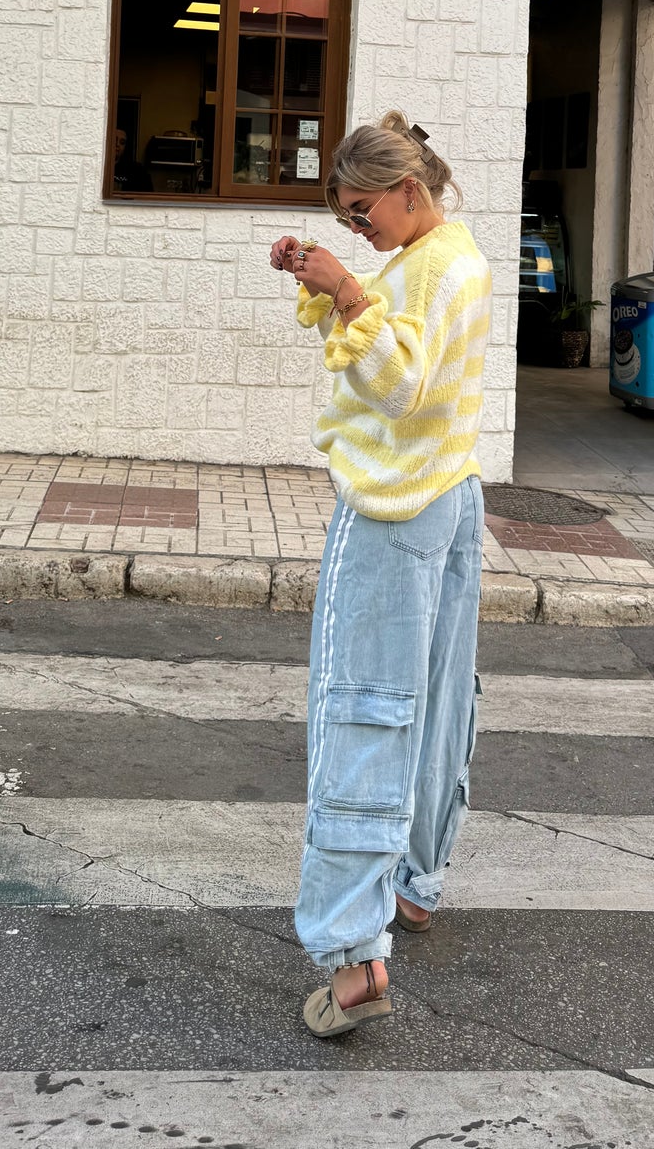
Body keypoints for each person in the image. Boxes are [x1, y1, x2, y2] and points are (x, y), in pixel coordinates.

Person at [269, 110, 491, 1039]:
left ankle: (354, 951)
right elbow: (402, 347)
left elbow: (397, 385)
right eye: (346, 218)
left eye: (365, 210)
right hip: (446, 493)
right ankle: (415, 884)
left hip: (394, 504)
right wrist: (329, 280)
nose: (359, 228)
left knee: (358, 709)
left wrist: (349, 293)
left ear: (410, 189)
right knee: (434, 700)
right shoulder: (443, 255)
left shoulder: (440, 267)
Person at [111, 126, 152, 192]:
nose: (117, 144)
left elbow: (148, 197)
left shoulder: (137, 169)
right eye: (114, 140)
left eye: (122, 142)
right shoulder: (99, 166)